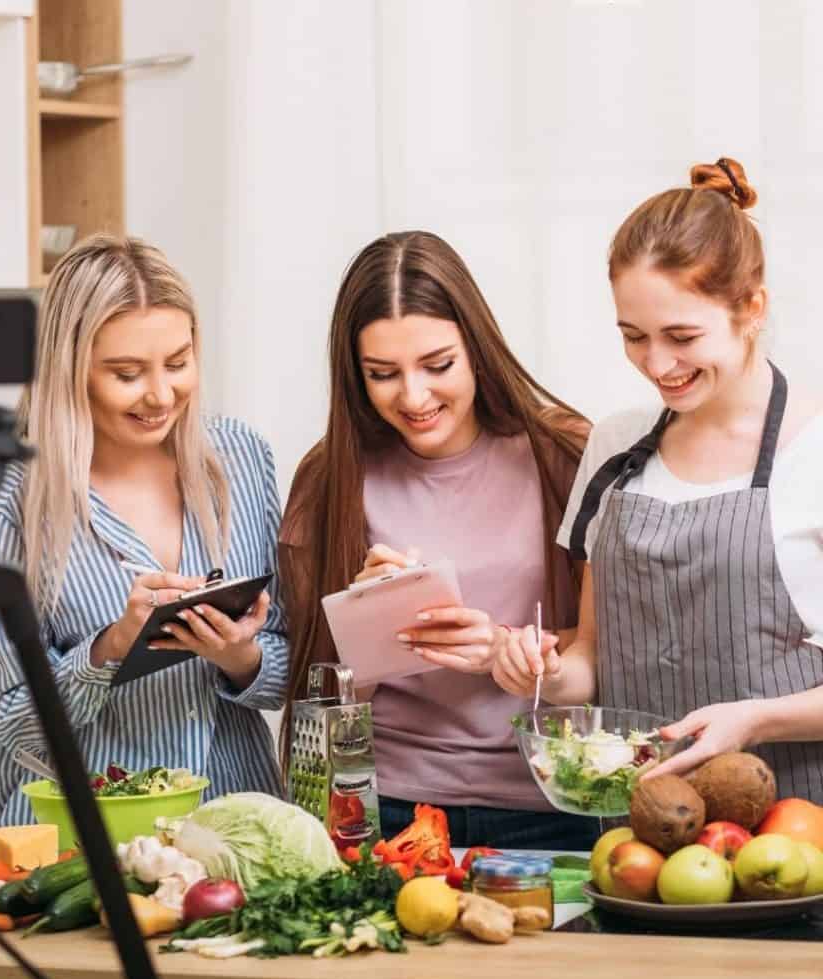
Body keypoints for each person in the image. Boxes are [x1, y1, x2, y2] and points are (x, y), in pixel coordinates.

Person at [494, 158, 823, 800]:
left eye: (682, 335)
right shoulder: (616, 446)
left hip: (798, 833)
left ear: (752, 308)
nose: (658, 364)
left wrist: (757, 718)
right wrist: (544, 674)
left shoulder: (816, 449)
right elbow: (593, 656)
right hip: (641, 838)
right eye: (634, 337)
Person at [279, 230, 600, 850]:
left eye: (438, 365)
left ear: (476, 349)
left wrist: (502, 650)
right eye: (383, 374)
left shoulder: (564, 453)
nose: (415, 396)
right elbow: (310, 692)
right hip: (387, 809)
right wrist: (363, 627)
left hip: (552, 804)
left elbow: (603, 652)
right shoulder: (330, 478)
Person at [0, 235, 288, 827]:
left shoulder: (241, 458)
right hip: (80, 838)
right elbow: (10, 722)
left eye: (178, 363)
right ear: (70, 371)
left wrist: (240, 655)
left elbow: (292, 667)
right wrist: (111, 647)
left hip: (233, 829)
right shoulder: (8, 497)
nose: (161, 394)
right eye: (126, 373)